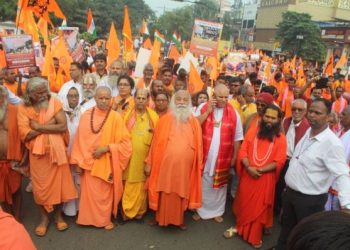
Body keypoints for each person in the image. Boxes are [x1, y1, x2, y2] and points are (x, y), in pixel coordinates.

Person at [276, 98, 350, 249]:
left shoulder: (332, 143)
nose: (312, 115)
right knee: (285, 232)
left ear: (329, 117)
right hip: (291, 194)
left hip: (309, 201)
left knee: (304, 237)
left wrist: (347, 205)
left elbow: (342, 174)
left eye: (317, 113)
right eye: (310, 111)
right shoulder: (308, 131)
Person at [17, 77, 77, 236]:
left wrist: (39, 126)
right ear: (30, 94)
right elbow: (26, 134)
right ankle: (43, 218)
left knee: (59, 187)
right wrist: (51, 125)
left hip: (58, 154)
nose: (45, 95)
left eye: (45, 91)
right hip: (38, 156)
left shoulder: (54, 102)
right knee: (40, 189)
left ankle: (58, 216)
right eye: (40, 93)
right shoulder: (23, 108)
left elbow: (63, 126)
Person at [224, 104, 287, 249]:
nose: (269, 120)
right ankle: (239, 227)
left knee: (259, 208)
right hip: (248, 174)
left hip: (264, 179)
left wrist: (259, 170)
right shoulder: (253, 131)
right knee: (244, 202)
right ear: (262, 117)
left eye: (273, 118)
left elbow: (280, 161)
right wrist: (248, 167)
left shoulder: (281, 138)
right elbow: (243, 150)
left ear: (278, 120)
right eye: (267, 116)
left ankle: (254, 235)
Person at [70, 86, 132, 229]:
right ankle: (87, 219)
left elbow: (126, 144)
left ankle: (104, 220)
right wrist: (78, 162)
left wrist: (107, 148)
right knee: (89, 195)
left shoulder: (116, 117)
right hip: (87, 162)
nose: (104, 101)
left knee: (104, 194)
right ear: (95, 98)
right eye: (100, 98)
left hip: (106, 162)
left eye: (107, 98)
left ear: (111, 99)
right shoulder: (86, 115)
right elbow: (79, 140)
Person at [146, 90, 203, 230]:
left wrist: (198, 163)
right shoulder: (165, 119)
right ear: (173, 101)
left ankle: (178, 219)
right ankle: (159, 217)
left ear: (189, 103)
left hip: (184, 167)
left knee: (181, 191)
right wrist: (149, 162)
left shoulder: (194, 121)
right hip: (164, 165)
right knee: (163, 190)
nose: (182, 102)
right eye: (179, 99)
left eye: (185, 100)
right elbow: (155, 143)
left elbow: (199, 145)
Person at [194, 84, 243, 223]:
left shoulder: (234, 112)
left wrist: (234, 157)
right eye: (220, 97)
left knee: (220, 186)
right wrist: (207, 111)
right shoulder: (203, 107)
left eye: (226, 97)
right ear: (213, 96)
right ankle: (199, 209)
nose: (223, 100)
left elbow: (238, 137)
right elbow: (194, 125)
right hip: (204, 155)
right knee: (202, 183)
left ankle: (217, 211)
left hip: (223, 156)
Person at [122, 89, 158, 221]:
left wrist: (151, 160)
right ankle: (126, 210)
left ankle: (140, 210)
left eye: (144, 98)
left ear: (148, 100)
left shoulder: (153, 117)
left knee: (142, 184)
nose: (141, 101)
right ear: (134, 99)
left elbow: (157, 140)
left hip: (145, 158)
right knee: (128, 183)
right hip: (128, 157)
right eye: (139, 98)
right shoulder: (127, 115)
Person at [275, 99, 309, 214]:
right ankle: (275, 210)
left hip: (294, 162)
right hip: (281, 159)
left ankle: (285, 212)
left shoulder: (308, 127)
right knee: (277, 186)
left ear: (305, 112)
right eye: (294, 109)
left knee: (288, 189)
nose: (296, 112)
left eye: (300, 110)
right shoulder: (286, 121)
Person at [0, 86, 27, 221]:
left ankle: (17, 219)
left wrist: (25, 156)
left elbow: (24, 135)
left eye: (1, 97)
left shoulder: (15, 111)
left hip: (13, 159)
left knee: (16, 190)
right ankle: (8, 218)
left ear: (5, 97)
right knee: (1, 193)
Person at [62, 87, 82, 216]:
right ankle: (67, 209)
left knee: (78, 181)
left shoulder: (84, 112)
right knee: (67, 180)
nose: (73, 98)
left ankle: (79, 207)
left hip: (79, 152)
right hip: (65, 152)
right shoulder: (61, 113)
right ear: (66, 97)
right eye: (70, 96)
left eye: (76, 96)